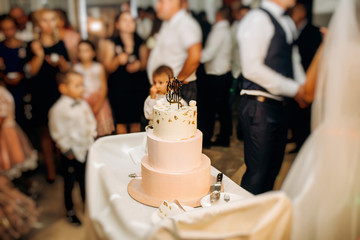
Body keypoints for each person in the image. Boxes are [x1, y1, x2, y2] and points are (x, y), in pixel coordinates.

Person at [282, 0, 360, 238]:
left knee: (324, 213)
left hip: (335, 141)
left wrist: (327, 46)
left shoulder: (337, 51)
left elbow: (307, 93)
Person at [237, 0, 307, 194]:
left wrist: (304, 87)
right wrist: (294, 89)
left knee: (272, 172)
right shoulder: (257, 19)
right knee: (257, 175)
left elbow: (293, 59)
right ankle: (246, 219)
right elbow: (252, 69)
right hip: (258, 105)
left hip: (280, 106)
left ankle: (262, 218)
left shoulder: (287, 22)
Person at [25, 8, 70, 182]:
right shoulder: (33, 45)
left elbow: (68, 71)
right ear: (38, 24)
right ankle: (51, 171)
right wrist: (40, 54)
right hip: (39, 93)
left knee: (60, 131)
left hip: (58, 93)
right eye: (44, 20)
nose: (49, 24)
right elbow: (30, 72)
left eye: (52, 19)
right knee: (44, 133)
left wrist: (61, 62)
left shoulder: (60, 44)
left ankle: (62, 166)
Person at [48, 70, 97, 226]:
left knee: (85, 180)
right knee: (69, 183)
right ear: (63, 88)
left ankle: (87, 206)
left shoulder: (83, 103)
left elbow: (90, 121)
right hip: (70, 153)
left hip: (85, 148)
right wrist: (66, 149)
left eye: (82, 85)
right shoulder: (58, 109)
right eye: (77, 86)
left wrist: (92, 136)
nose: (82, 89)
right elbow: (57, 131)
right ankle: (70, 210)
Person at [102, 11, 149, 134]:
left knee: (136, 121)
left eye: (131, 21)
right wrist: (117, 60)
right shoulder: (111, 43)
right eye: (124, 20)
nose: (129, 24)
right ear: (117, 24)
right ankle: (121, 151)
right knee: (121, 121)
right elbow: (107, 68)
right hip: (118, 87)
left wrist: (139, 65)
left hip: (137, 86)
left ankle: (135, 150)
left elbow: (145, 63)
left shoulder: (141, 42)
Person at [147, 0, 202, 104]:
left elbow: (195, 56)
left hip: (178, 89)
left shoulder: (185, 24)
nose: (157, 6)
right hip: (164, 88)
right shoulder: (168, 23)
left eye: (161, 2)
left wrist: (177, 81)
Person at [286, 2, 323, 153]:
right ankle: (298, 142)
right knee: (295, 115)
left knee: (305, 117)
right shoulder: (290, 28)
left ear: (302, 11)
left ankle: (305, 146)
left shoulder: (313, 31)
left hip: (308, 80)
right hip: (293, 80)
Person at [198, 7, 233, 148]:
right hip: (223, 74)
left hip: (216, 75)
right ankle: (224, 138)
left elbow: (208, 54)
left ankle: (209, 139)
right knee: (223, 109)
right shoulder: (227, 30)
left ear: (219, 14)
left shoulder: (219, 31)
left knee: (210, 110)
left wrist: (193, 55)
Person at [74, 40, 114, 137]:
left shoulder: (98, 67)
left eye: (86, 50)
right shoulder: (76, 68)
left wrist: (98, 105)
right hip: (83, 101)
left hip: (99, 100)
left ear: (93, 52)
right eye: (81, 51)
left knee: (101, 131)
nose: (83, 54)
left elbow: (104, 87)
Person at [0, 84, 37, 180]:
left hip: (5, 131)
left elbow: (2, 115)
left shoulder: (1, 93)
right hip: (8, 128)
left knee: (12, 162)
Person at [0, 15, 28, 127]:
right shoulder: (1, 48)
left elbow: (29, 68)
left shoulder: (25, 46)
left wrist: (22, 76)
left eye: (10, 28)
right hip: (7, 90)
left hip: (25, 88)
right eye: (4, 29)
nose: (8, 32)